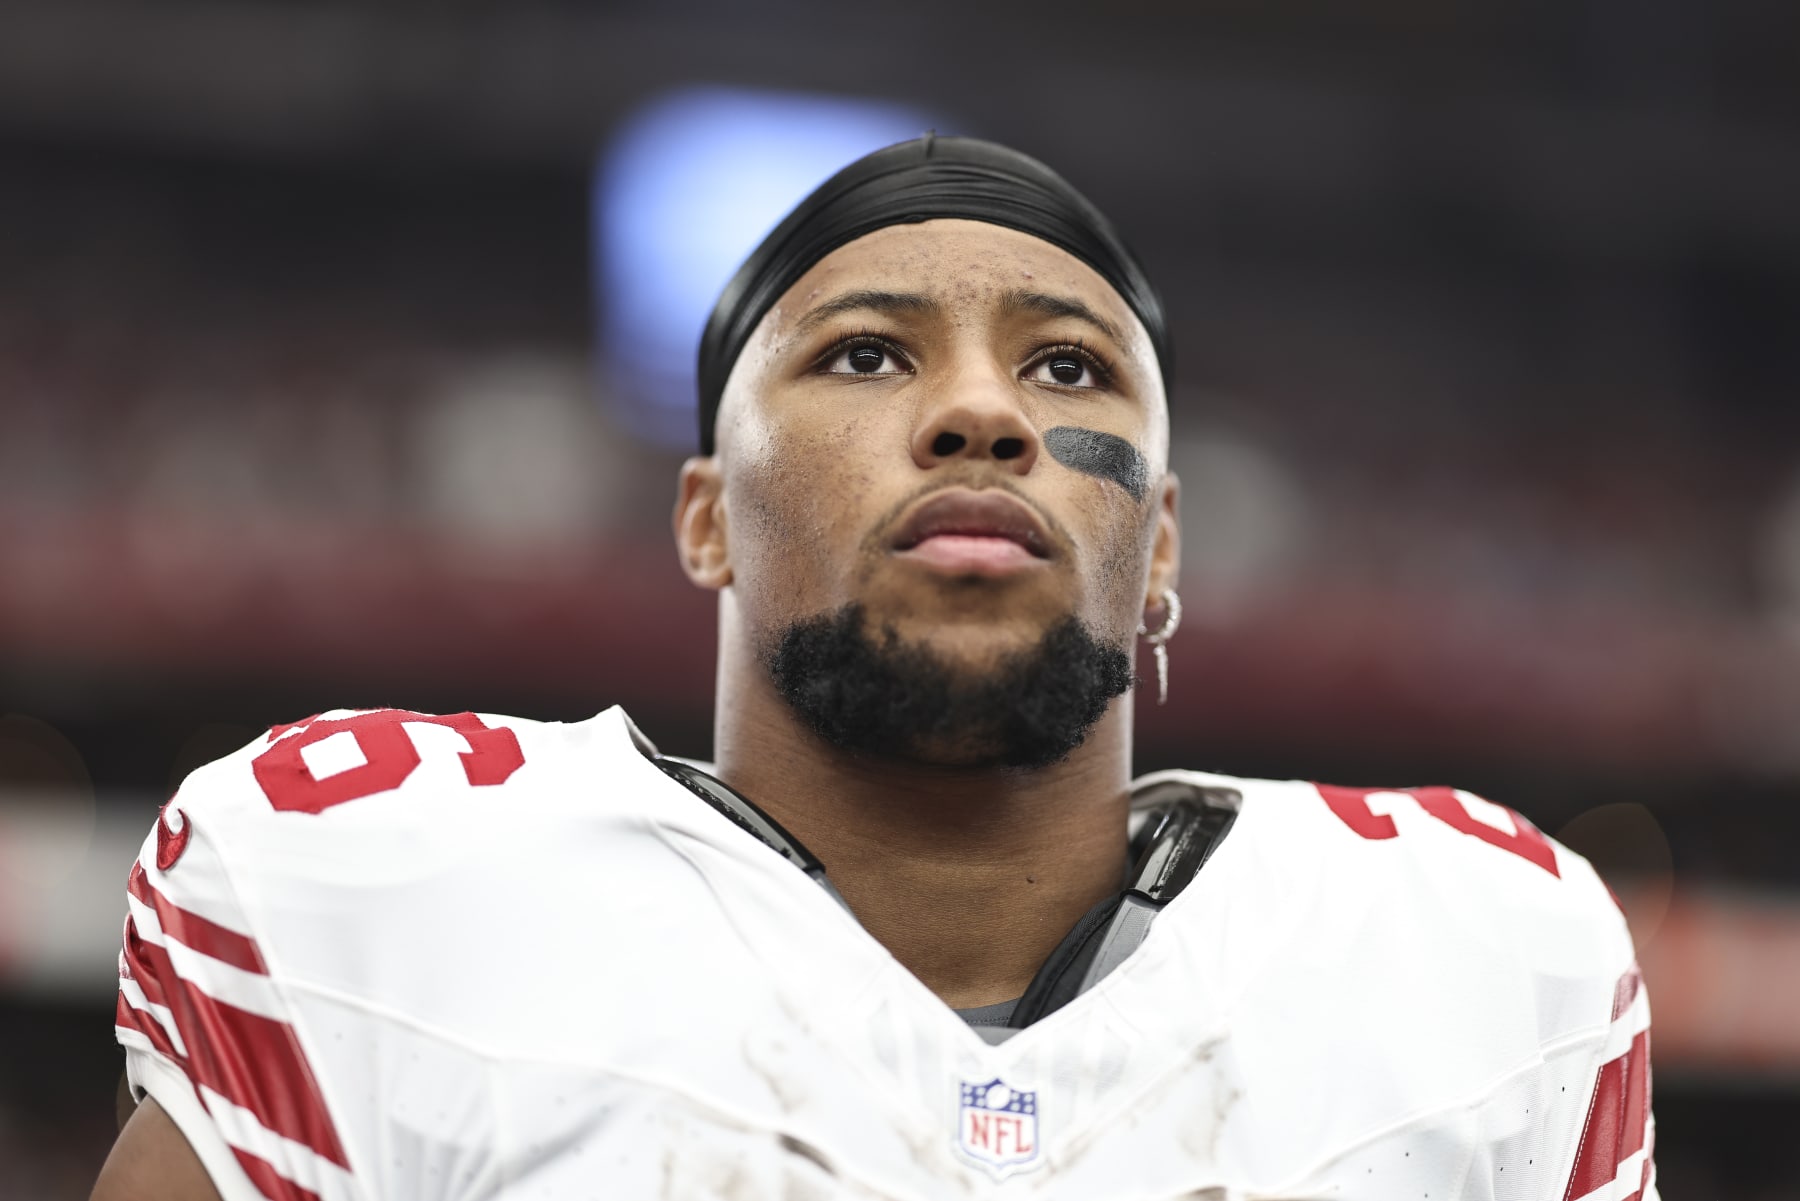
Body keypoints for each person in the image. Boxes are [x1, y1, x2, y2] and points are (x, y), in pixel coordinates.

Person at [91, 136, 1655, 1201]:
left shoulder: (1486, 961)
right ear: (706, 513)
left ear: (1161, 542)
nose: (984, 416)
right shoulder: (373, 889)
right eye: (865, 353)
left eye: (1067, 366)